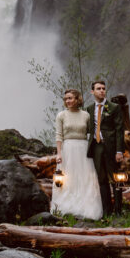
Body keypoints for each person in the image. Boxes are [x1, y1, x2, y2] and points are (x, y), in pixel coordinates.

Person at [51, 89, 102, 219]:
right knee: (67, 178)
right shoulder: (61, 115)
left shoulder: (86, 115)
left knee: (85, 178)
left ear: (77, 99)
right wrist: (59, 153)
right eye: (66, 99)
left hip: (83, 148)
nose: (67, 101)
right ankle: (65, 207)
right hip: (67, 149)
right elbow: (59, 135)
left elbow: (92, 133)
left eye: (70, 98)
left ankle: (87, 208)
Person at [85, 80, 125, 215]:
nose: (102, 90)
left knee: (116, 179)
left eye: (103, 88)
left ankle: (118, 211)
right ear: (92, 92)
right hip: (96, 147)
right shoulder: (89, 109)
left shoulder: (114, 107)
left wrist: (119, 151)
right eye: (98, 88)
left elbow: (120, 130)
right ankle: (107, 211)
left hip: (111, 148)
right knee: (102, 179)